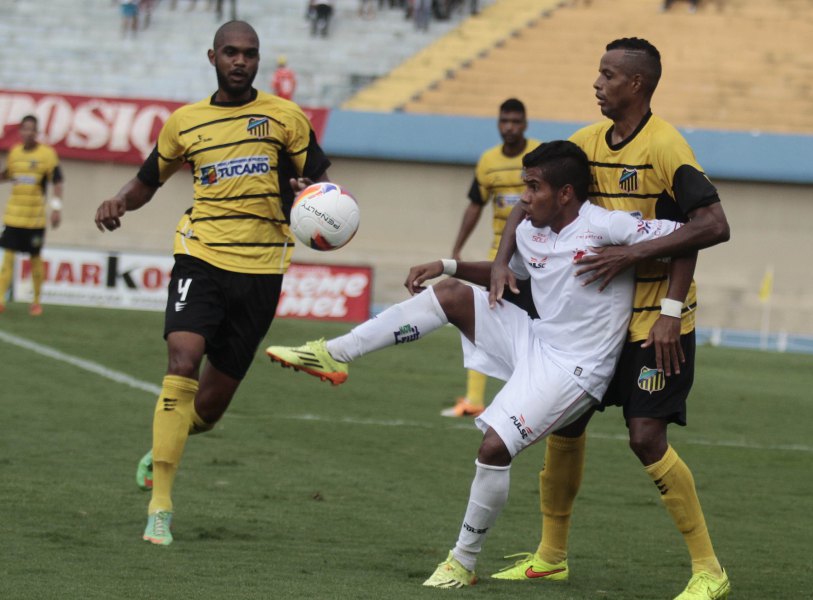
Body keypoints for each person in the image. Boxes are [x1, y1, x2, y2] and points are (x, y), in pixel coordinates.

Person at [264, 140, 685, 587]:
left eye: (534, 187)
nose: (524, 198)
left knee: (493, 448)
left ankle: (462, 562)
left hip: (575, 369)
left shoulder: (607, 225)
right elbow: (511, 262)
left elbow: (684, 239)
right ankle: (335, 354)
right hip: (534, 340)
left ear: (565, 193)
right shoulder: (532, 228)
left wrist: (670, 311)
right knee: (449, 293)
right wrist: (447, 264)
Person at [487, 38, 731, 599]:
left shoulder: (668, 147)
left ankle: (708, 570)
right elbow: (530, 198)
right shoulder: (584, 143)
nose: (597, 82)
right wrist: (502, 262)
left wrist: (665, 303)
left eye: (607, 74)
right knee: (565, 424)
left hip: (657, 325)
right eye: (599, 72)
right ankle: (551, 557)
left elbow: (709, 226)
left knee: (645, 438)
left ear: (636, 85)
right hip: (596, 325)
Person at [94, 20, 331, 547]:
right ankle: (161, 508)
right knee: (181, 363)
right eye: (231, 52)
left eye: (249, 53)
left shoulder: (285, 117)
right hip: (199, 256)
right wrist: (118, 202)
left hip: (263, 268)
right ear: (213, 57)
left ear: (258, 60)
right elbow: (147, 180)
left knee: (209, 409)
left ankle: (165, 442)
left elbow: (319, 180)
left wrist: (307, 192)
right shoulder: (185, 123)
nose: (240, 61)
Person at [444, 98, 540, 418]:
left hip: (539, 257)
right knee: (484, 322)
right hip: (498, 258)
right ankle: (473, 399)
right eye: (504, 121)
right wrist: (457, 246)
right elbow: (476, 204)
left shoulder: (539, 155)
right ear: (498, 124)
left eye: (515, 121)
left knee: (535, 328)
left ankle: (532, 394)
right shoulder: (488, 162)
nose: (509, 127)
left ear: (525, 124)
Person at [0, 115, 64, 317]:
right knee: (7, 258)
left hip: (35, 218)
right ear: (20, 132)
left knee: (35, 258)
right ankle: (0, 300)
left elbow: (58, 181)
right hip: (13, 216)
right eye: (24, 129)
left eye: (32, 129)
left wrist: (56, 208)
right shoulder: (15, 152)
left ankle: (36, 302)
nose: (28, 133)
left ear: (37, 132)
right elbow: (8, 174)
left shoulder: (47, 154)